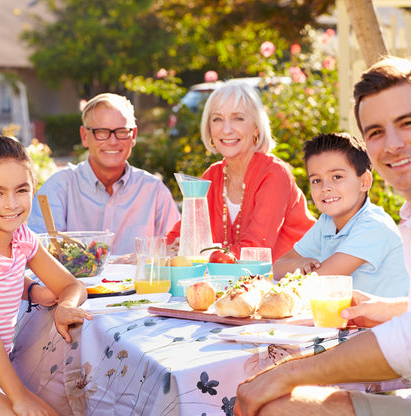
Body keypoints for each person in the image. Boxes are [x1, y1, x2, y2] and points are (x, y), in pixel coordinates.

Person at [234, 56, 411, 416]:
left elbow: (315, 283)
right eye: (376, 132)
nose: (392, 144)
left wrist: (290, 374)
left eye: (407, 123)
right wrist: (391, 308)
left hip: (387, 369)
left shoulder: (375, 225)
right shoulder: (341, 222)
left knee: (270, 394)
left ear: (365, 180)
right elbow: (283, 267)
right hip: (363, 343)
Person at [0, 135, 92, 416]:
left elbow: (71, 284)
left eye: (21, 190)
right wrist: (18, 398)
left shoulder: (23, 238)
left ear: (34, 188)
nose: (11, 204)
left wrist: (66, 305)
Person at [166, 80, 315, 261]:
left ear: (256, 127)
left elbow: (254, 252)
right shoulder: (212, 176)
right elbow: (177, 238)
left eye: (238, 118)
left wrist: (197, 252)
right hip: (239, 285)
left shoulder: (274, 174)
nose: (226, 129)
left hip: (296, 282)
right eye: (217, 119)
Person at [28, 93, 180, 257]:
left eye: (121, 131)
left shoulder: (155, 192)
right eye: (101, 132)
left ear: (133, 135)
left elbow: (174, 253)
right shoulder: (57, 189)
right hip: (75, 283)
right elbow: (38, 256)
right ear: (85, 136)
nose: (113, 141)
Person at [273, 132, 408, 297]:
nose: (325, 188)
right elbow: (278, 267)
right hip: (346, 318)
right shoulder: (327, 221)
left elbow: (320, 282)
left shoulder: (374, 226)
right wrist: (300, 263)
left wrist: (299, 270)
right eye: (316, 180)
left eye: (337, 177)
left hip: (383, 322)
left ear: (364, 181)